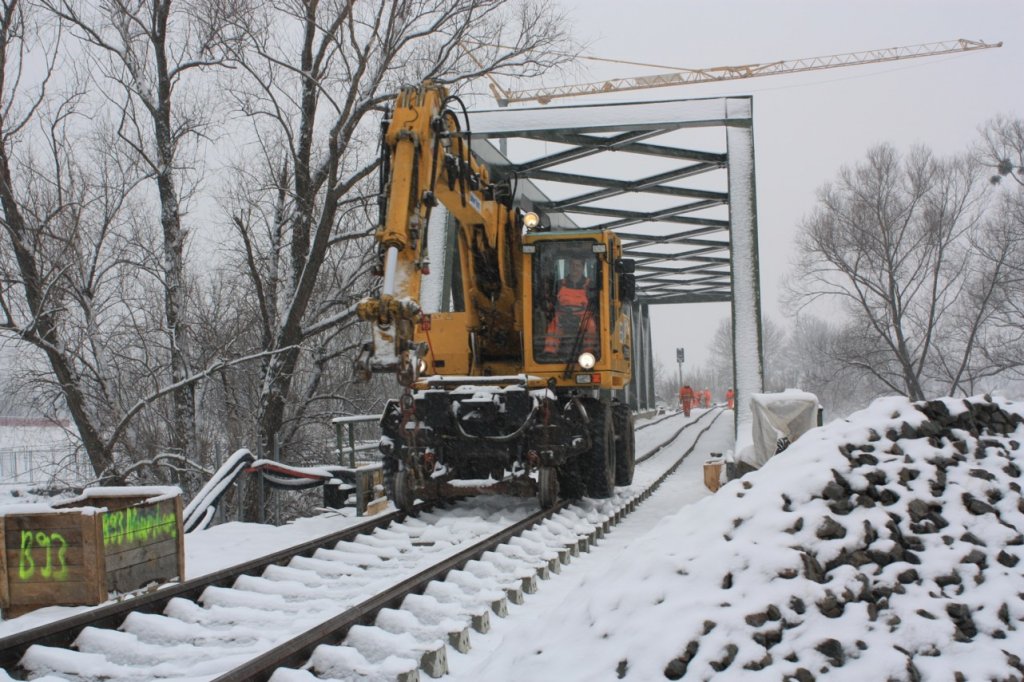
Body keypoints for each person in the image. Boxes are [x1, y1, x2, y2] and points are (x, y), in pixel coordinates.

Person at [543, 256, 597, 357]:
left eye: (578, 265)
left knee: (591, 326)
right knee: (553, 326)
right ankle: (550, 352)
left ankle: (588, 353)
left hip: (584, 316)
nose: (574, 268)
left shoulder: (590, 285)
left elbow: (594, 303)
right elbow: (552, 301)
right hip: (562, 315)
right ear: (568, 266)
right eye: (572, 265)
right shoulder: (559, 284)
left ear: (582, 268)